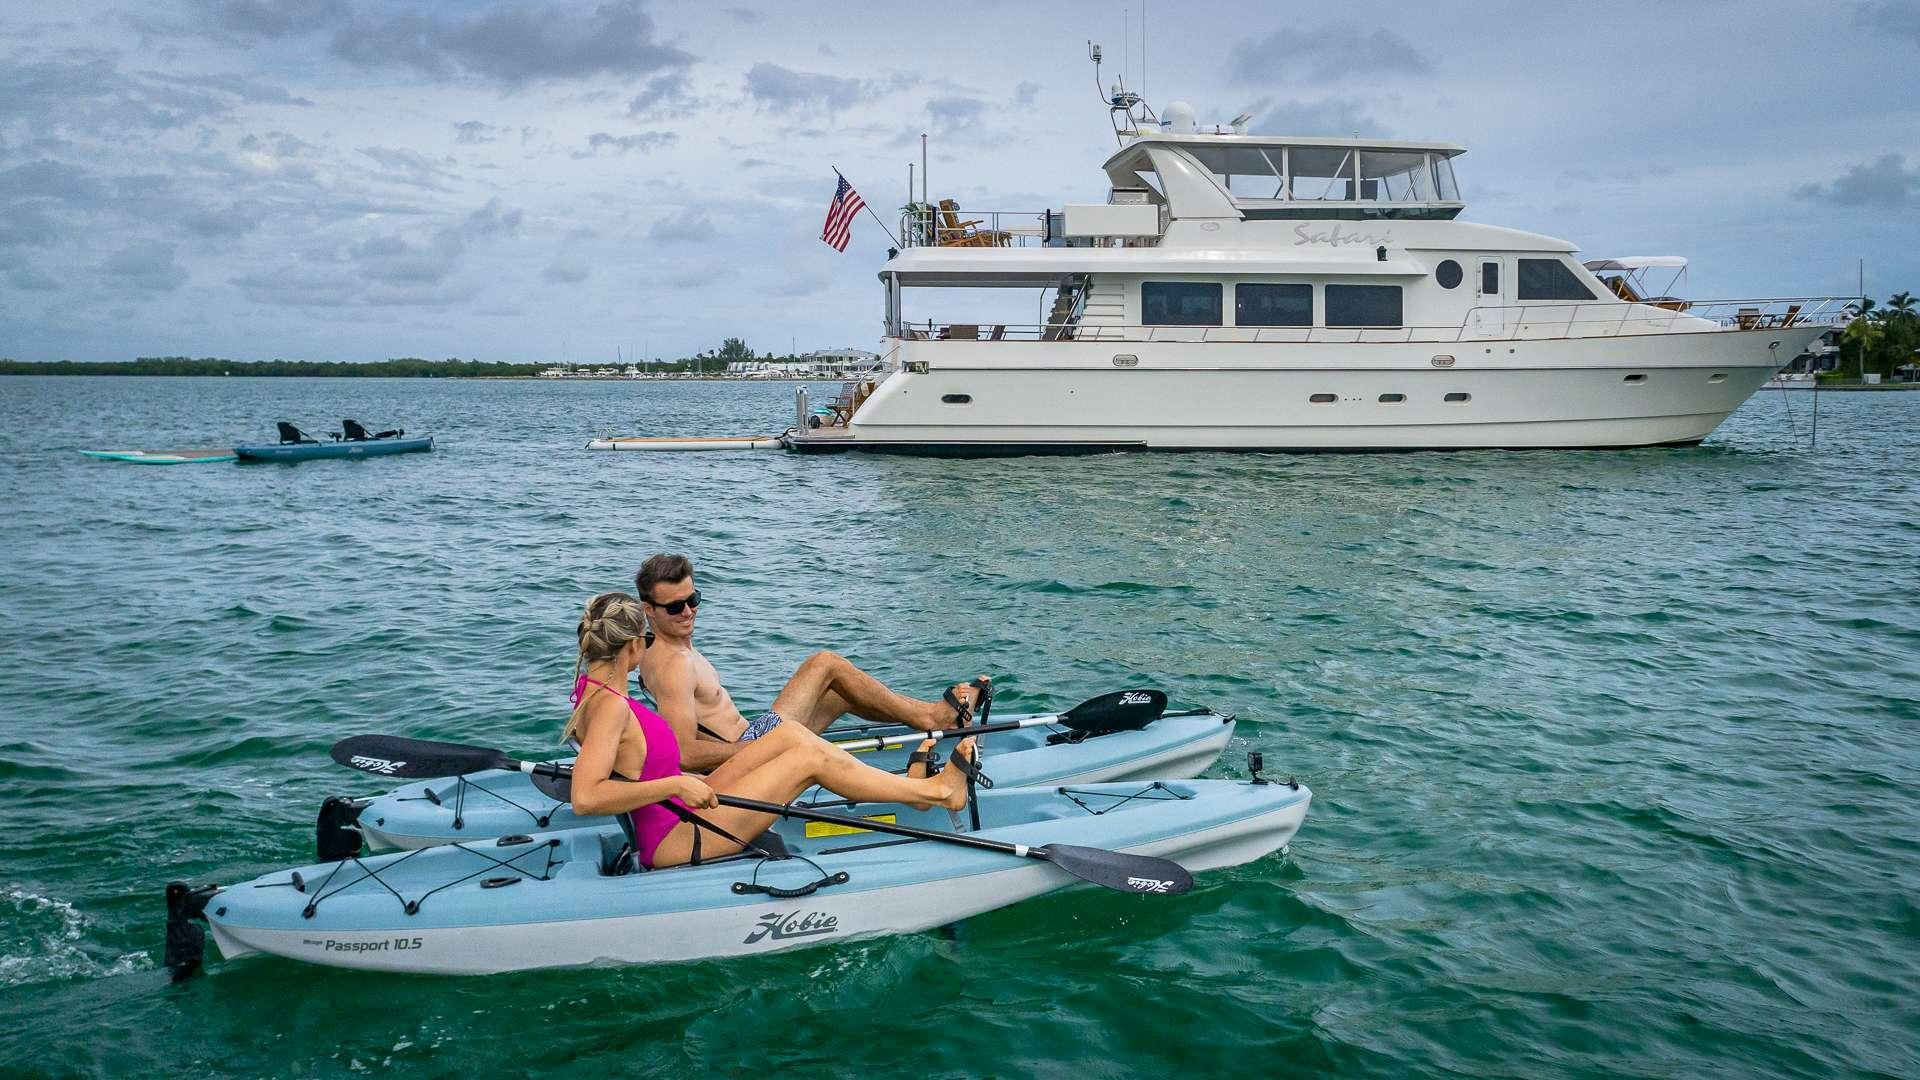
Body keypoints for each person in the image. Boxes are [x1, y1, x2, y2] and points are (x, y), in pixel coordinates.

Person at [565, 592, 974, 870]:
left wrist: (677, 783)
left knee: (789, 735)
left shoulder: (594, 690)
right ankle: (937, 793)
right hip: (674, 836)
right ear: (634, 645)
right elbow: (586, 797)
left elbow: (630, 768)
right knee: (808, 760)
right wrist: (673, 786)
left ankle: (910, 792)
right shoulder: (609, 707)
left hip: (679, 808)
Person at [634, 553, 987, 771]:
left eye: (692, 599)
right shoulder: (674, 665)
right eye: (675, 607)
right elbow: (684, 754)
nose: (689, 611)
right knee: (825, 663)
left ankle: (930, 718)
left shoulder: (648, 647)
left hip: (748, 738)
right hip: (749, 746)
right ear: (648, 609)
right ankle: (932, 717)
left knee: (841, 694)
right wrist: (756, 749)